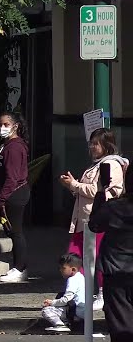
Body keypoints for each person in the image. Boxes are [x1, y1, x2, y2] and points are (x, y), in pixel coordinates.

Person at [59, 127, 125, 308]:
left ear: (106, 145)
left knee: (98, 258)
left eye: (96, 144)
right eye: (91, 143)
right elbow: (87, 191)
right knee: (74, 257)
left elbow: (101, 191)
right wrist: (73, 186)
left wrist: (75, 184)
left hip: (97, 219)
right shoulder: (96, 164)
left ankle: (102, 294)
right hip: (84, 219)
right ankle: (77, 292)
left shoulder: (111, 164)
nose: (92, 147)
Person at [87, 172, 133, 342]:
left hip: (118, 273)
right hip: (121, 271)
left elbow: (94, 224)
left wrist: (100, 194)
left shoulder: (115, 207)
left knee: (121, 329)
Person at [0, 112, 31, 283]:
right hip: (10, 193)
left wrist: (1, 198)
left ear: (15, 126)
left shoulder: (15, 147)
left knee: (16, 231)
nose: (2, 128)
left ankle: (20, 267)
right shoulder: (8, 145)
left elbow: (12, 177)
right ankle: (17, 266)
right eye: (0, 124)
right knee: (11, 230)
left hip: (15, 193)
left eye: (6, 124)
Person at [41, 253, 87, 334]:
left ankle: (60, 325)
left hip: (77, 311)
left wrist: (52, 302)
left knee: (46, 310)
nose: (60, 270)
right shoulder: (82, 277)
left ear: (73, 270)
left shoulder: (72, 280)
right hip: (84, 310)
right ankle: (67, 323)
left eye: (63, 268)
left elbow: (66, 299)